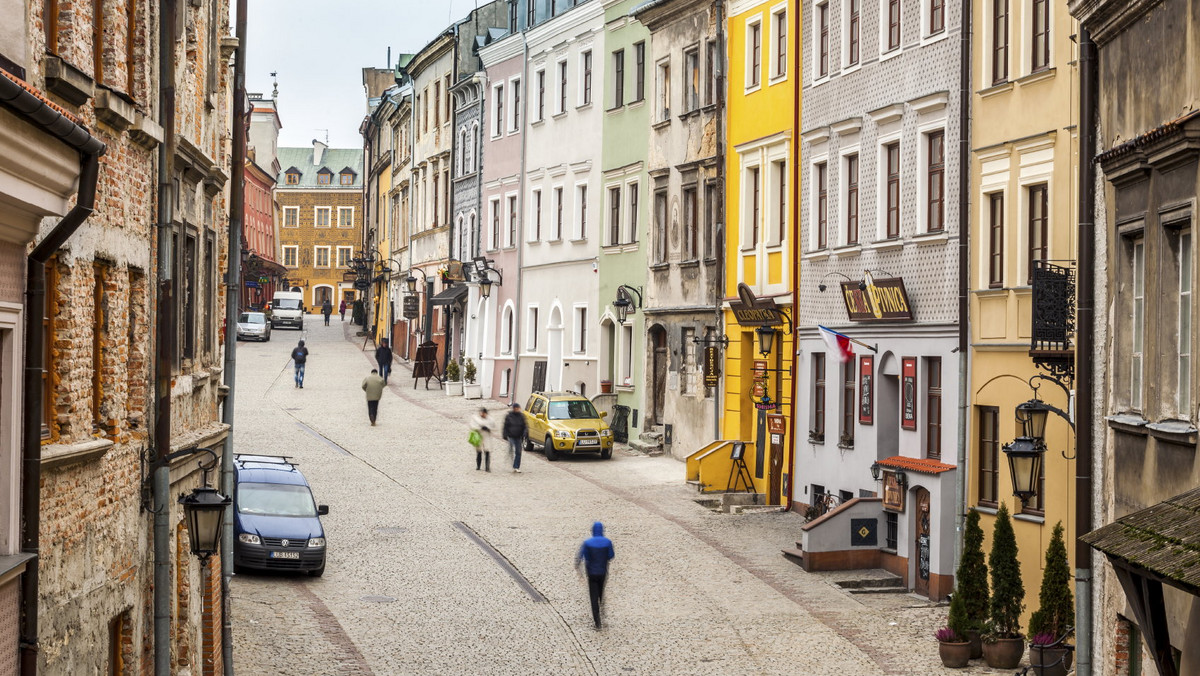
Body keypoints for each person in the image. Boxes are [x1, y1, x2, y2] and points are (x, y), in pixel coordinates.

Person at [575, 522, 615, 629]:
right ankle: (602, 608)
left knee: (593, 595)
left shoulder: (587, 543)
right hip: (602, 572)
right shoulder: (607, 542)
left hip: (591, 572)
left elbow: (583, 556)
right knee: (601, 591)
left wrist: (579, 568)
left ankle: (597, 621)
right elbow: (611, 555)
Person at [502, 402, 527, 473]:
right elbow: (505, 426)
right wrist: (504, 434)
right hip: (511, 436)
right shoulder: (509, 416)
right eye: (515, 408)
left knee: (518, 452)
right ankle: (510, 462)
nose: (517, 409)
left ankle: (516, 466)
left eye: (518, 408)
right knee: (511, 449)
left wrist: (525, 433)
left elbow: (525, 426)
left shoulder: (522, 416)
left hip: (519, 436)